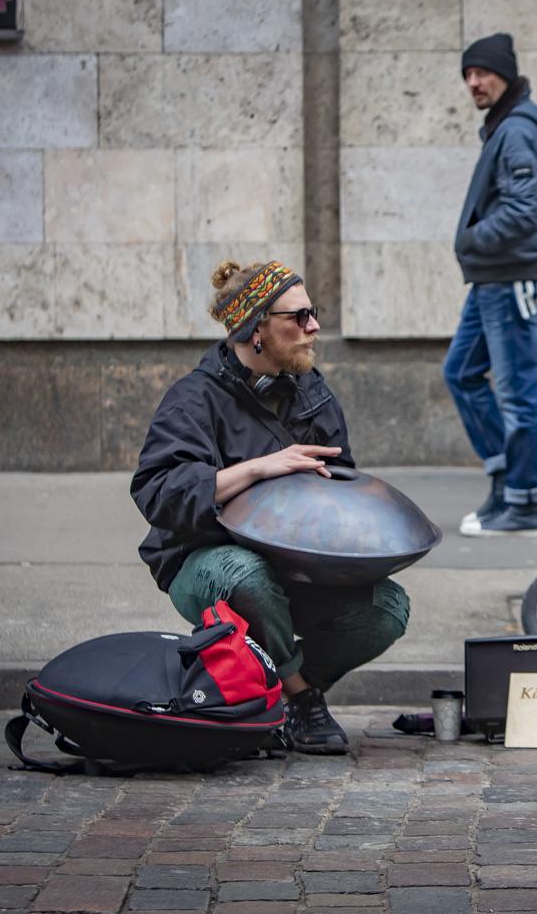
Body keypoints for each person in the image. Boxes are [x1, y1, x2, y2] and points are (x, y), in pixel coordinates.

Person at [131, 259, 411, 755]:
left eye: (313, 313)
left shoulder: (312, 391)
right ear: (256, 328)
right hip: (205, 561)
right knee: (248, 575)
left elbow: (339, 483)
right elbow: (157, 492)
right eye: (298, 317)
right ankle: (302, 702)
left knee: (387, 607)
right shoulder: (193, 399)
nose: (314, 327)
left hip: (296, 563)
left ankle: (270, 689)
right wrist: (259, 468)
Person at [445, 32, 537, 538]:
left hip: (510, 275)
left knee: (517, 395)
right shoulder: (506, 125)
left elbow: (523, 210)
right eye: (468, 74)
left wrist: (470, 240)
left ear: (506, 75)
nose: (475, 81)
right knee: (461, 373)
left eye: (483, 72)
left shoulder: (517, 130)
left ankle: (523, 505)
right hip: (496, 277)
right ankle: (504, 481)